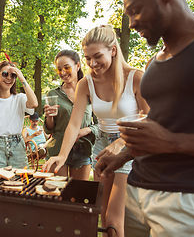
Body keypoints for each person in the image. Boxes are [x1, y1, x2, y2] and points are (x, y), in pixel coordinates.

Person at [95, 0, 194, 236]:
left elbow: (167, 137)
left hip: (185, 200)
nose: (132, 24)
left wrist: (172, 143)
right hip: (136, 193)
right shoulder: (156, 61)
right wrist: (124, 155)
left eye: (136, 11)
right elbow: (163, 123)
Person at [42, 26, 149, 237]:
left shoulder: (136, 77)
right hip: (101, 146)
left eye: (98, 56)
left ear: (113, 50)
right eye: (88, 58)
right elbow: (73, 124)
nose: (92, 63)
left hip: (129, 146)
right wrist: (61, 156)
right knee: (101, 213)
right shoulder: (86, 83)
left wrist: (120, 143)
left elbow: (149, 118)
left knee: (113, 219)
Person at [43, 50, 98, 181]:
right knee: (58, 194)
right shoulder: (53, 94)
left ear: (77, 66)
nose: (62, 73)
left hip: (83, 150)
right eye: (59, 69)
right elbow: (49, 129)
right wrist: (49, 117)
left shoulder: (91, 92)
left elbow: (101, 123)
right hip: (58, 148)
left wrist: (86, 130)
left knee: (78, 194)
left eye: (66, 67)